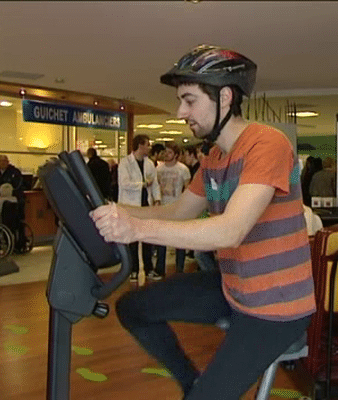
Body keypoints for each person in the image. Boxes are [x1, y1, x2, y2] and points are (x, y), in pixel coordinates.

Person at [91, 45, 315, 400]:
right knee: (133, 308)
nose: (181, 112)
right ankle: (192, 385)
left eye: (190, 100)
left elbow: (230, 230)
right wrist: (114, 210)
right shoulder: (214, 157)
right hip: (234, 288)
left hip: (276, 308)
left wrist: (136, 228)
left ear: (225, 97)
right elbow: (179, 211)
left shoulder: (267, 144)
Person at [118, 134, 162, 281]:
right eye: (147, 144)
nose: (149, 147)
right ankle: (134, 270)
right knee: (132, 239)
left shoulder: (149, 163)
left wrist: (157, 199)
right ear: (140, 145)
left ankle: (149, 268)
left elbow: (154, 183)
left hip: (145, 204)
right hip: (131, 205)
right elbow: (124, 183)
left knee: (147, 238)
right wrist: (142, 184)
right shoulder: (125, 163)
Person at [155, 142, 191, 275]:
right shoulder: (158, 169)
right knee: (161, 239)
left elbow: (187, 188)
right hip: (163, 207)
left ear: (175, 155)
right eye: (165, 152)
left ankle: (179, 269)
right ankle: (159, 269)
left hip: (177, 207)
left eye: (169, 152)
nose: (166, 154)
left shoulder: (183, 169)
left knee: (179, 240)